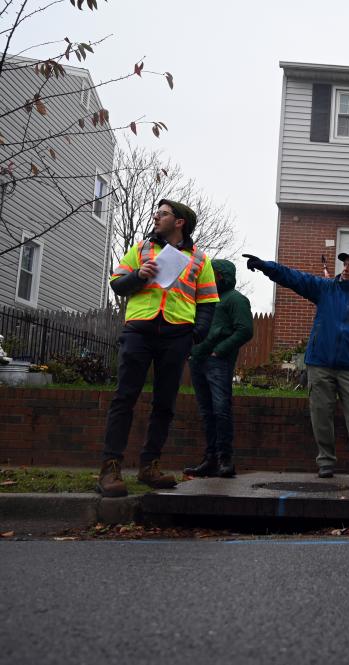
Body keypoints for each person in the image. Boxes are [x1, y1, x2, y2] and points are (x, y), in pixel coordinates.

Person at [97, 199, 219, 497]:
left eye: (162, 214)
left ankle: (149, 466)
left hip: (177, 335)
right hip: (140, 329)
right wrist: (138, 275)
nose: (156, 217)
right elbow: (116, 283)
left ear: (179, 222)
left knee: (165, 403)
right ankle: (110, 469)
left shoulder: (201, 260)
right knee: (125, 397)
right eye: (157, 213)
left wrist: (194, 335)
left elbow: (207, 303)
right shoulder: (141, 250)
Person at [243, 251, 349, 480]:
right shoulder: (326, 289)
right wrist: (266, 267)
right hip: (320, 362)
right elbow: (295, 278)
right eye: (345, 264)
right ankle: (326, 462)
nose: (346, 268)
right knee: (321, 413)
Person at [184, 259, 254, 479]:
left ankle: (225, 459)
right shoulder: (203, 300)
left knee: (221, 409)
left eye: (212, 273)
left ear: (222, 275)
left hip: (218, 362)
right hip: (197, 360)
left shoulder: (235, 299)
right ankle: (210, 459)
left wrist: (220, 350)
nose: (208, 277)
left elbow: (245, 330)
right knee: (206, 412)